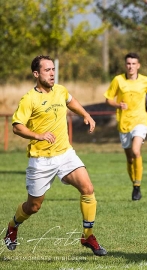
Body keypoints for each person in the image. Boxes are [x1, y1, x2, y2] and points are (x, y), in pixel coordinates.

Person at [3, 55, 107, 256]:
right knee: (33, 206)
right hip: (41, 160)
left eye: (53, 69)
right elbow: (17, 127)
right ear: (36, 74)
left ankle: (88, 235)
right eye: (47, 70)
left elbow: (71, 100)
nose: (52, 73)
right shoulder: (29, 99)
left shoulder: (60, 90)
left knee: (88, 188)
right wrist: (38, 135)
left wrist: (86, 115)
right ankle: (12, 226)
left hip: (65, 154)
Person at [104, 52, 147, 201]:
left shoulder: (145, 81)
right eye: (128, 63)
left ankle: (137, 186)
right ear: (125, 65)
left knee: (136, 150)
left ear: (138, 65)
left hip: (140, 120)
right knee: (129, 159)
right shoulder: (118, 80)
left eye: (134, 63)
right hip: (123, 122)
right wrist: (117, 104)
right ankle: (134, 184)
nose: (131, 66)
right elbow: (108, 99)